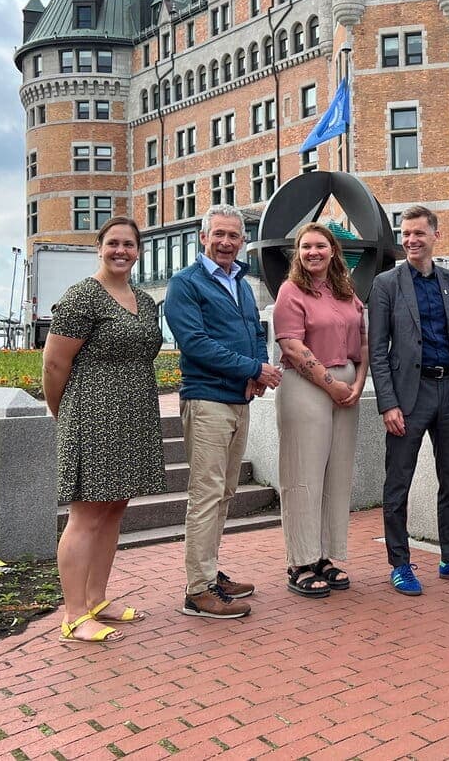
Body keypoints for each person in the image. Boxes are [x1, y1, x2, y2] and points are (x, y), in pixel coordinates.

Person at [43, 217, 166, 643]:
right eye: (113, 243)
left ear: (138, 251)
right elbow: (54, 364)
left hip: (133, 413)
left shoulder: (145, 301)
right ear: (99, 247)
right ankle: (74, 614)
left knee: (114, 507)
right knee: (86, 514)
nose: (121, 251)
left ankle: (96, 599)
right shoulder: (82, 297)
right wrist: (65, 413)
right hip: (92, 414)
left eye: (129, 244)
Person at [164, 205, 280, 619]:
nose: (226, 242)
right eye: (219, 234)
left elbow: (255, 332)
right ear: (203, 237)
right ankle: (197, 591)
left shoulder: (241, 283)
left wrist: (258, 372)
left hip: (238, 399)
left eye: (234, 236)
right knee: (206, 494)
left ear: (242, 241)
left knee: (225, 492)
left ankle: (209, 574)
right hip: (207, 400)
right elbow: (195, 343)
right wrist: (252, 368)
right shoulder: (185, 283)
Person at [368, 206, 449, 596]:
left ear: (436, 235)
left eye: (419, 233)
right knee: (397, 483)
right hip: (408, 397)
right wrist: (388, 403)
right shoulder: (386, 284)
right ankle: (400, 564)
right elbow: (377, 350)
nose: (411, 240)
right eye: (406, 233)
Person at [274, 223, 368, 598]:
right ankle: (301, 561)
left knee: (337, 476)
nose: (313, 252)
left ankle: (326, 555)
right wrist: (332, 385)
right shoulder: (290, 291)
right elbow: (292, 347)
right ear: (298, 253)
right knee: (303, 475)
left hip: (347, 387)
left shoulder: (346, 291)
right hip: (307, 386)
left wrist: (358, 384)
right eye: (306, 246)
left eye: (320, 246)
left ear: (333, 251)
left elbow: (363, 340)